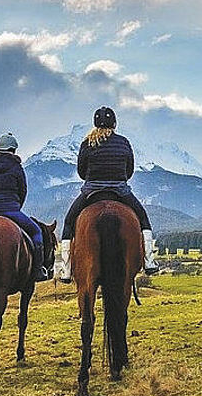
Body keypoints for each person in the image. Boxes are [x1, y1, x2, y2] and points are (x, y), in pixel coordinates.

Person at [57, 107, 157, 281]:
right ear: (114, 123)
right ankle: (149, 261)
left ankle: (65, 269)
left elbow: (81, 172)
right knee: (143, 220)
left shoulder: (87, 143)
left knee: (68, 223)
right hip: (120, 191)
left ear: (95, 122)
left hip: (91, 192)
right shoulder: (123, 142)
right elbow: (129, 170)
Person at [0, 133, 49, 281]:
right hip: (11, 210)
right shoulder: (16, 166)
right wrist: (16, 206)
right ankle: (38, 270)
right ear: (13, 149)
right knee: (36, 232)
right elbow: (22, 190)